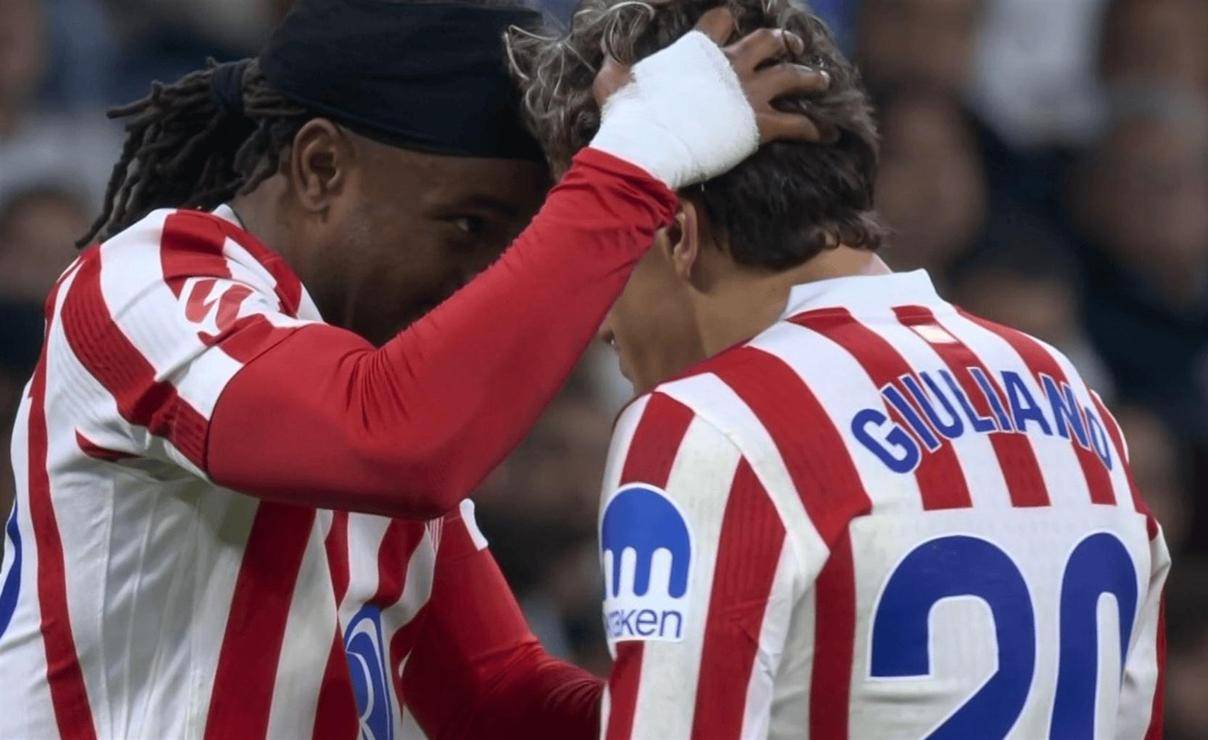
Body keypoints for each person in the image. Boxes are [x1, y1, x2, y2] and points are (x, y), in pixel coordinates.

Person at [0, 0, 828, 735]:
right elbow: (388, 439)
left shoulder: (373, 382)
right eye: (469, 228)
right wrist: (632, 168)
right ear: (321, 169)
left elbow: (493, 695)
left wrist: (723, 712)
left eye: (513, 246)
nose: (485, 284)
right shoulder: (146, 282)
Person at [511, 0, 1170, 736]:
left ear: (676, 234)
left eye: (599, 253)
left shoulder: (710, 425)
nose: (599, 320)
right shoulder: (1072, 396)